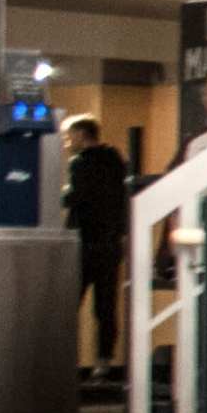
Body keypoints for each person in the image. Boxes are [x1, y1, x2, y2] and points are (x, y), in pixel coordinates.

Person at [62, 115, 131, 379]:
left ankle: (64, 357)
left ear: (82, 134)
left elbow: (76, 198)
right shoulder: (116, 161)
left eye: (70, 136)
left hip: (83, 242)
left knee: (69, 303)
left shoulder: (79, 164)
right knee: (106, 306)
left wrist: (61, 195)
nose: (68, 142)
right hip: (110, 242)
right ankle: (104, 359)